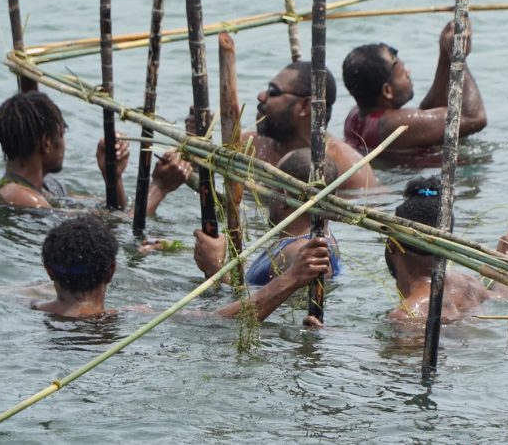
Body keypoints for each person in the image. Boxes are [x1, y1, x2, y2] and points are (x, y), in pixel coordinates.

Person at [34, 213, 330, 323]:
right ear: (112, 271)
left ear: (49, 270)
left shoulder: (32, 306)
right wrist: (290, 279)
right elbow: (221, 320)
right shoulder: (132, 317)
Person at [0, 91, 191, 213]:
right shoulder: (18, 195)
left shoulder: (49, 188)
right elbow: (118, 230)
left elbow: (113, 213)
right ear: (47, 143)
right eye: (62, 135)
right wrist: (159, 188)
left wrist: (113, 176)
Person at [384, 176, 508, 322]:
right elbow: (502, 297)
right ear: (450, 245)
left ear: (392, 244)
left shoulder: (407, 316)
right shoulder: (467, 285)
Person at [194, 148, 341, 287]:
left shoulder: (297, 252)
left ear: (284, 196)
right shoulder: (323, 238)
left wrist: (215, 266)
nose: (267, 196)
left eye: (271, 187)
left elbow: (262, 307)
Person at [341, 21, 486, 155]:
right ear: (387, 91)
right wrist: (458, 58)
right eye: (403, 72)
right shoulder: (395, 126)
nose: (408, 73)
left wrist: (445, 56)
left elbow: (429, 114)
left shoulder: (355, 116)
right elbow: (473, 117)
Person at [241, 61, 378, 191]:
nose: (261, 96)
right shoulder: (246, 146)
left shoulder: (350, 171)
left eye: (273, 91)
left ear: (305, 106)